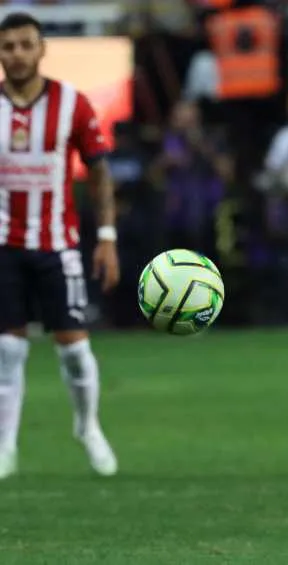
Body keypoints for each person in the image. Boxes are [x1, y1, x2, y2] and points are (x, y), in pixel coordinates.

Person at [0, 12, 121, 479]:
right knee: (8, 351)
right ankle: (6, 445)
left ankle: (87, 426)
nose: (17, 54)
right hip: (4, 247)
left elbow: (100, 171)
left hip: (58, 245)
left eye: (25, 44)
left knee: (73, 347)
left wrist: (106, 237)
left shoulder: (72, 103)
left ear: (41, 48)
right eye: (8, 46)